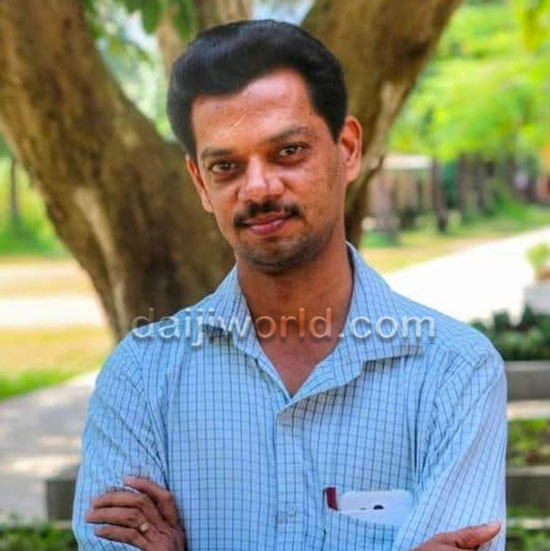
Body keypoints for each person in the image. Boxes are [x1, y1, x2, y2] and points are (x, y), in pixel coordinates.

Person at [73, 19, 507, 551]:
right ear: (201, 183)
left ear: (347, 148)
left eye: (288, 152)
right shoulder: (141, 377)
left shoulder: (455, 372)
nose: (258, 188)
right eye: (226, 165)